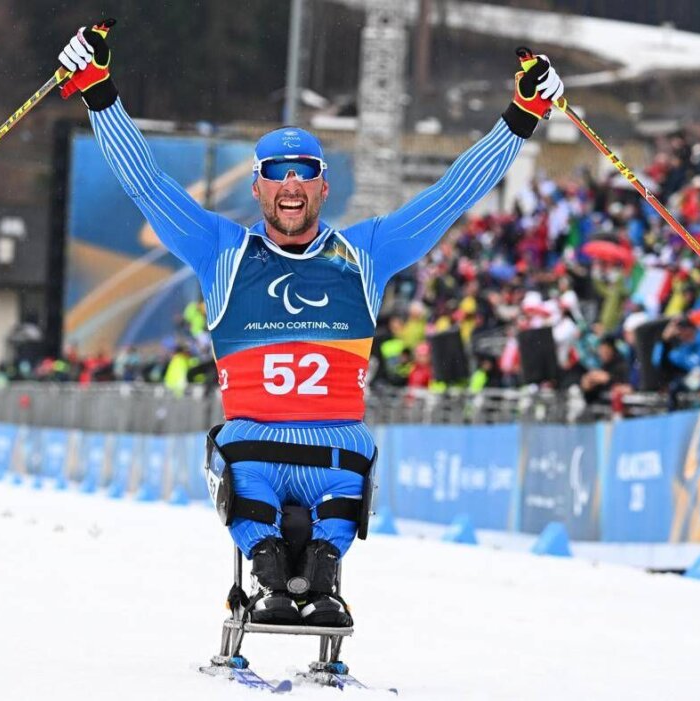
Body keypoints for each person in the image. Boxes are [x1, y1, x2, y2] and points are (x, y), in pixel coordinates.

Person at [58, 25, 564, 626]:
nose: (292, 182)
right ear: (257, 187)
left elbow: (452, 195)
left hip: (334, 450)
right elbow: (147, 184)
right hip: (258, 448)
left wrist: (521, 116)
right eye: (278, 171)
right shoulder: (224, 251)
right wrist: (99, 94)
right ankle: (271, 568)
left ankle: (320, 570)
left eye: (305, 171)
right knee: (238, 456)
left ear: (324, 185)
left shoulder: (364, 252)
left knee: (334, 463)